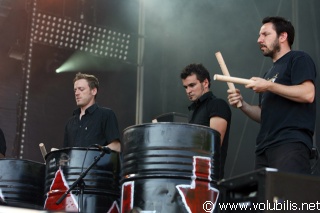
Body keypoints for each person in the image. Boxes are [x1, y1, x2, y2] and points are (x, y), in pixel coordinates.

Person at [227, 16, 316, 174]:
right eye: (260, 35)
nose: (259, 40)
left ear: (283, 36)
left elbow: (308, 94)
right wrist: (243, 104)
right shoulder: (268, 73)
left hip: (290, 143)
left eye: (265, 34)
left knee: (290, 197)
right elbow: (264, 114)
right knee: (265, 197)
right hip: (264, 148)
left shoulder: (298, 58)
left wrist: (268, 85)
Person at [181, 63, 232, 179]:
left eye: (192, 85)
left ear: (205, 83)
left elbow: (213, 145)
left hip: (209, 178)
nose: (188, 91)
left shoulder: (217, 104)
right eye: (185, 87)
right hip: (194, 176)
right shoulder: (195, 111)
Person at [63, 72, 121, 152]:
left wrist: (94, 153)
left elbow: (117, 146)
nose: (76, 93)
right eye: (75, 90)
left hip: (98, 164)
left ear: (94, 91)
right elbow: (65, 154)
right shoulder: (70, 122)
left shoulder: (106, 115)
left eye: (81, 89)